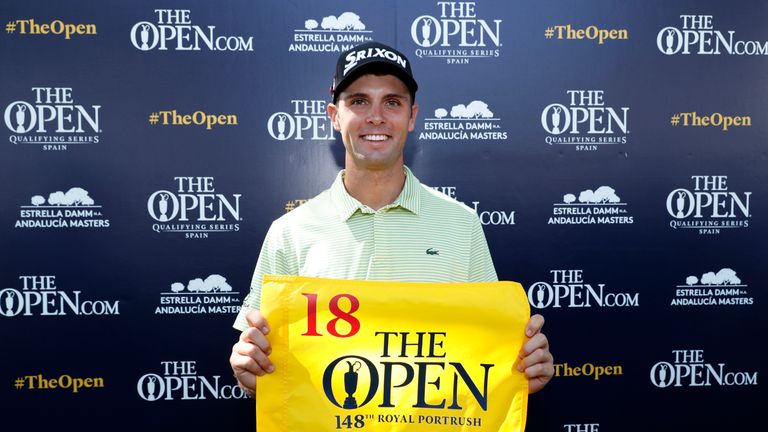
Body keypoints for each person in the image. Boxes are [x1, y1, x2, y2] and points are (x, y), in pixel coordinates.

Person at [230, 41, 553, 399]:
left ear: (412, 117)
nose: (376, 117)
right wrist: (250, 368)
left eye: (392, 102)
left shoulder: (461, 224)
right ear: (334, 116)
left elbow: (488, 352)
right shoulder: (288, 233)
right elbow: (260, 361)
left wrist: (521, 365)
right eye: (358, 101)